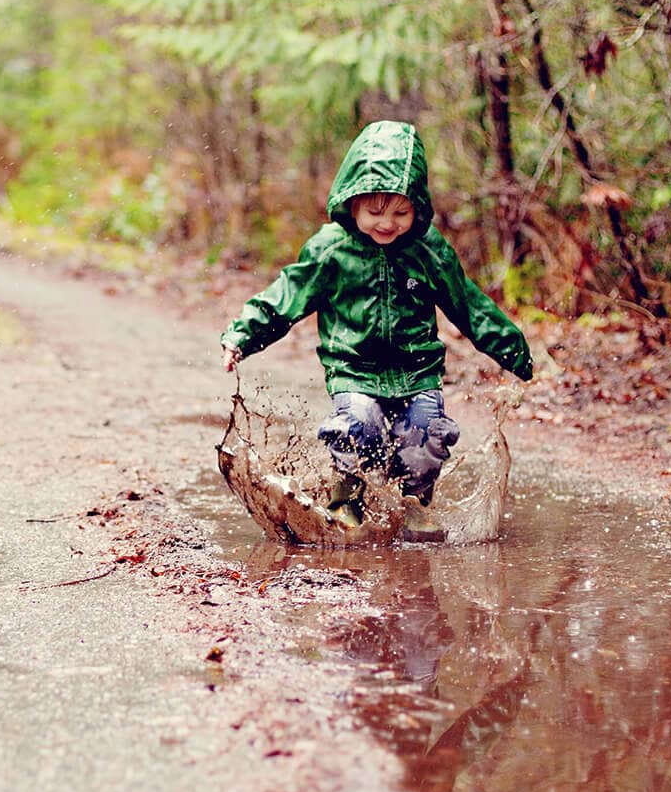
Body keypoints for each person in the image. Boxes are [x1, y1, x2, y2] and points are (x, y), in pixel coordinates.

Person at [219, 121, 532, 537]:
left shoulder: (427, 250)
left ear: (417, 208)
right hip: (354, 369)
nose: (388, 223)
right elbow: (285, 296)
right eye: (375, 212)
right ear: (352, 204)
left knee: (423, 438)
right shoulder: (331, 250)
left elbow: (469, 304)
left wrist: (511, 349)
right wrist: (243, 335)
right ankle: (345, 503)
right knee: (359, 427)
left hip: (417, 371)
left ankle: (414, 506)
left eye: (401, 212)